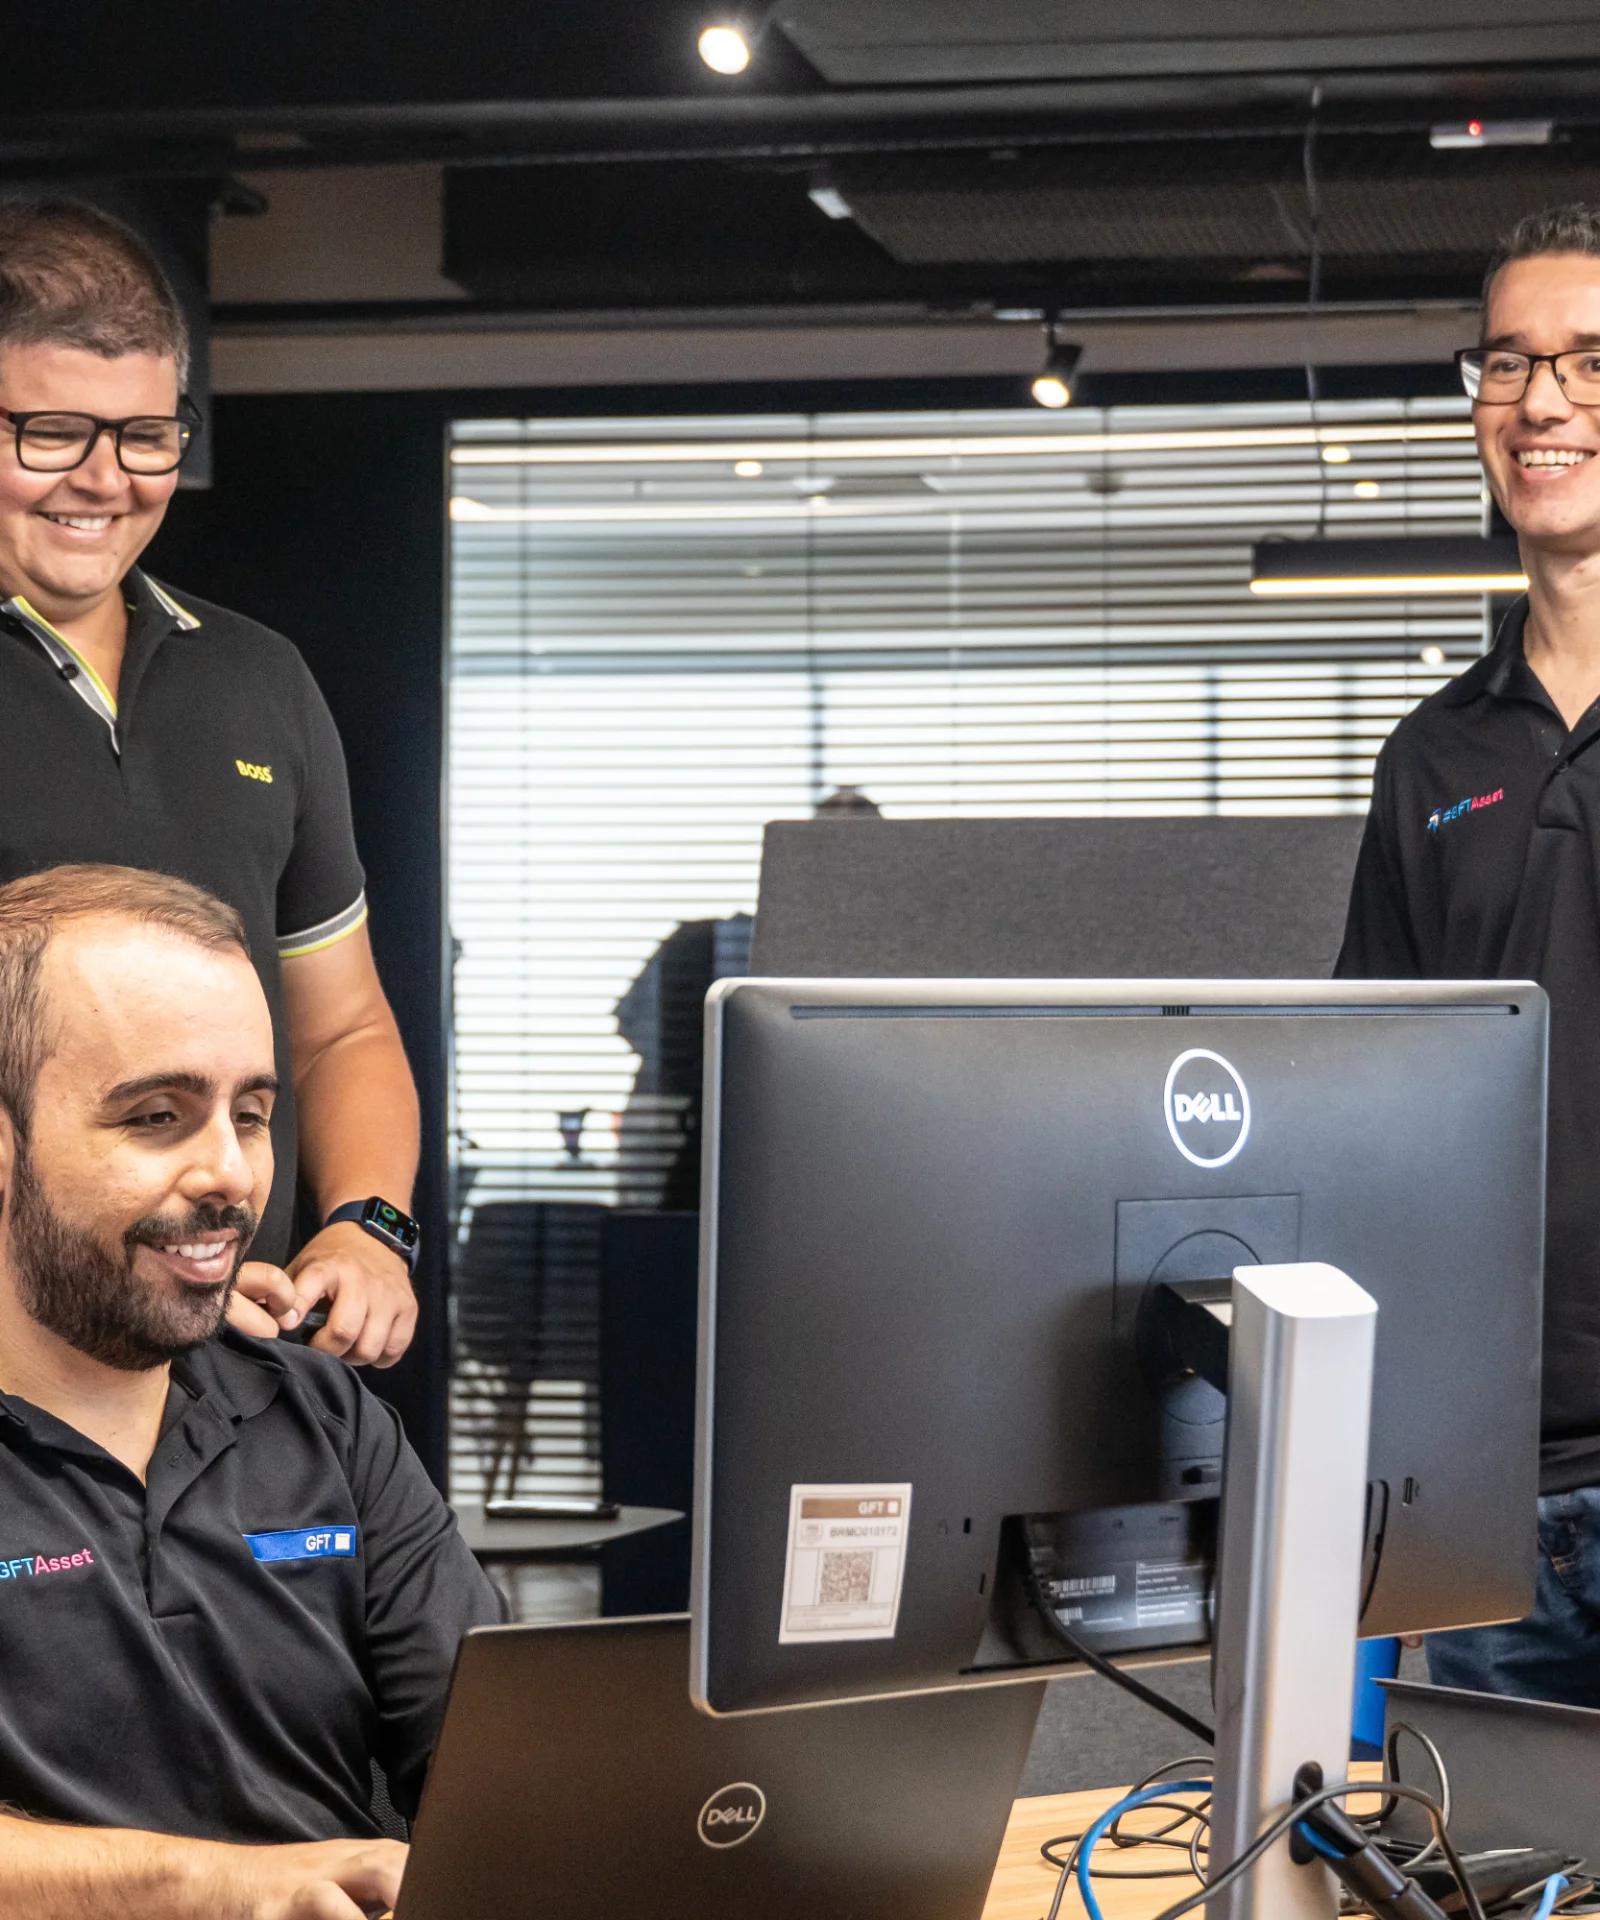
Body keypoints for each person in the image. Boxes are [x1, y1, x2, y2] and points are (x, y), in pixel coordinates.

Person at [0, 863, 501, 1917]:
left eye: (254, 1114)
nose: (232, 1172)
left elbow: (511, 1783)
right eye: (157, 1116)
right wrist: (210, 1887)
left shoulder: (323, 1422)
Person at [0, 195, 419, 1369]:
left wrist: (367, 1227)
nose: (104, 480)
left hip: (238, 1362)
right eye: (50, 432)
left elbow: (341, 1028)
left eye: (144, 436)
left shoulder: (259, 678)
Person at [1338, 202, 1600, 1703]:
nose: (1543, 401)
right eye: (1507, 364)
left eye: (1586, 362)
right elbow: (1367, 1106)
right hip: (1497, 1498)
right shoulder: (1434, 754)